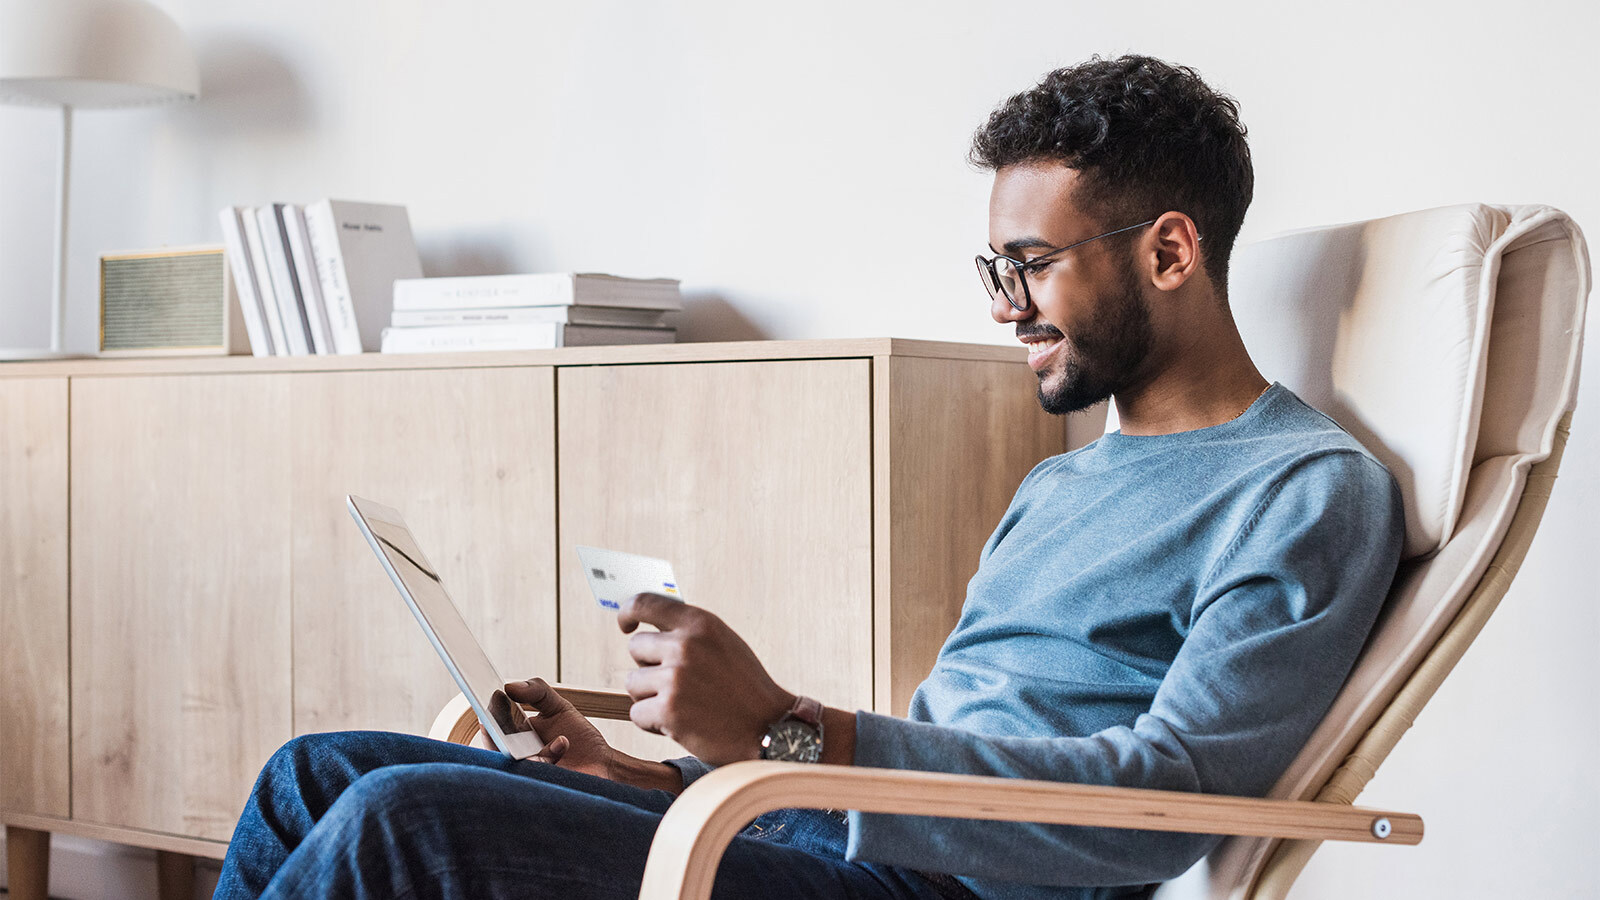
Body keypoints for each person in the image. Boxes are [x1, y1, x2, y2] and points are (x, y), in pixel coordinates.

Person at [213, 54, 1404, 900]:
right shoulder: (1065, 482)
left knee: (401, 824)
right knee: (310, 775)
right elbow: (928, 755)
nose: (1002, 307)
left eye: (1030, 266)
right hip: (858, 845)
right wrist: (644, 769)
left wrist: (787, 726)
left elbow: (1167, 799)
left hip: (963, 891)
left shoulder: (1302, 490)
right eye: (993, 264)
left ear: (1169, 250)